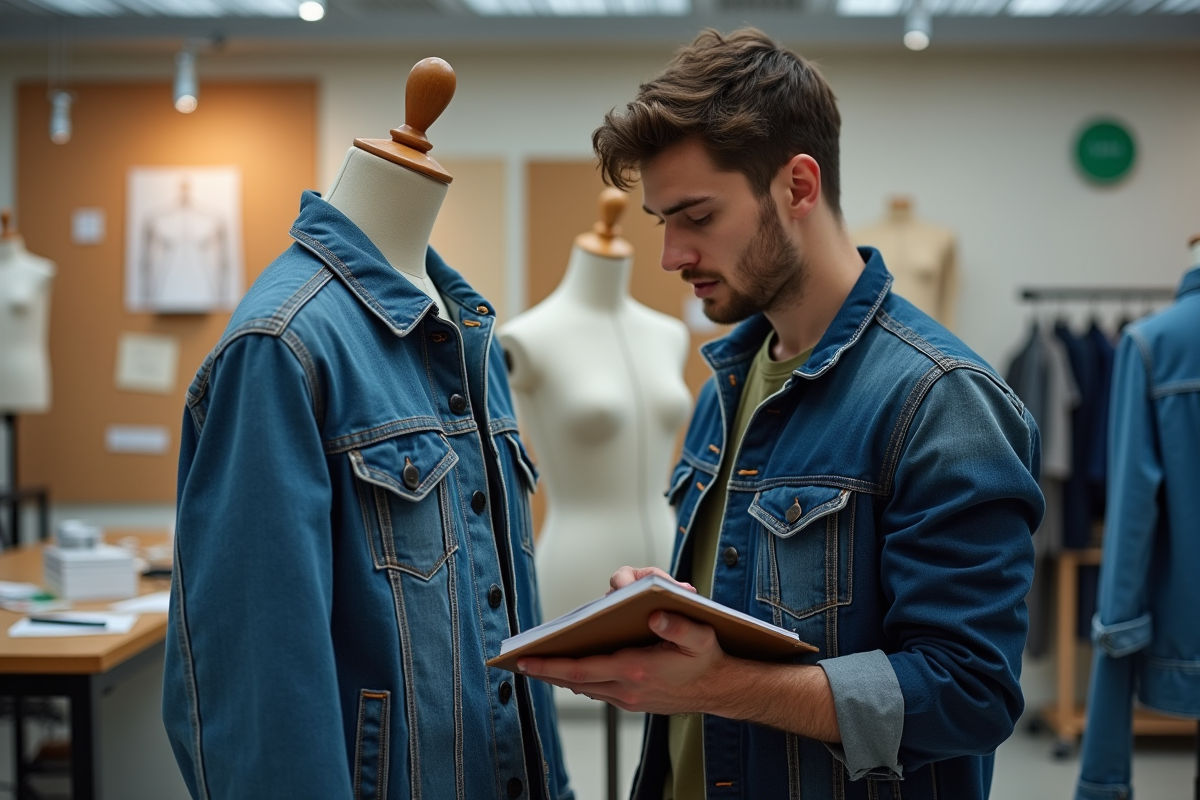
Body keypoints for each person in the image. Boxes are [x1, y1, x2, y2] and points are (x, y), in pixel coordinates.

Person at [517, 28, 1043, 800]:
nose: (670, 256)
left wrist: (715, 684)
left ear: (797, 186)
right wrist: (673, 613)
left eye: (695, 216)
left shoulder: (942, 400)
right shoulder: (723, 386)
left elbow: (968, 693)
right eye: (662, 221)